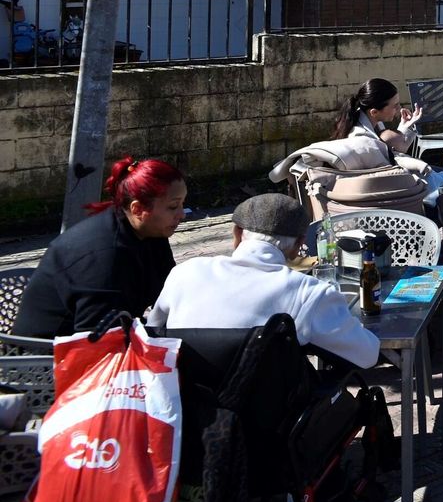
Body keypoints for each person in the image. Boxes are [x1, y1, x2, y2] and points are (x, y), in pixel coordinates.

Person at [146, 194, 379, 368]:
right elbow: (367, 355)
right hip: (269, 425)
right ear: (299, 245)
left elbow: (153, 333)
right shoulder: (309, 293)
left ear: (237, 234)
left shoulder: (184, 273)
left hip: (186, 415)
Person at [16, 157, 185, 338]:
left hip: (102, 339)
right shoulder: (105, 255)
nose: (182, 214)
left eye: (183, 204)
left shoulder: (151, 232)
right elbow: (100, 339)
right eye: (173, 206)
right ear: (137, 209)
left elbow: (169, 296)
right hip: (45, 356)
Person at [334, 78, 426, 158]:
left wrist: (405, 126)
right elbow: (387, 162)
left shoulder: (372, 120)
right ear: (374, 112)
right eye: (395, 105)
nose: (399, 108)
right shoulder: (363, 139)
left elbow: (394, 144)